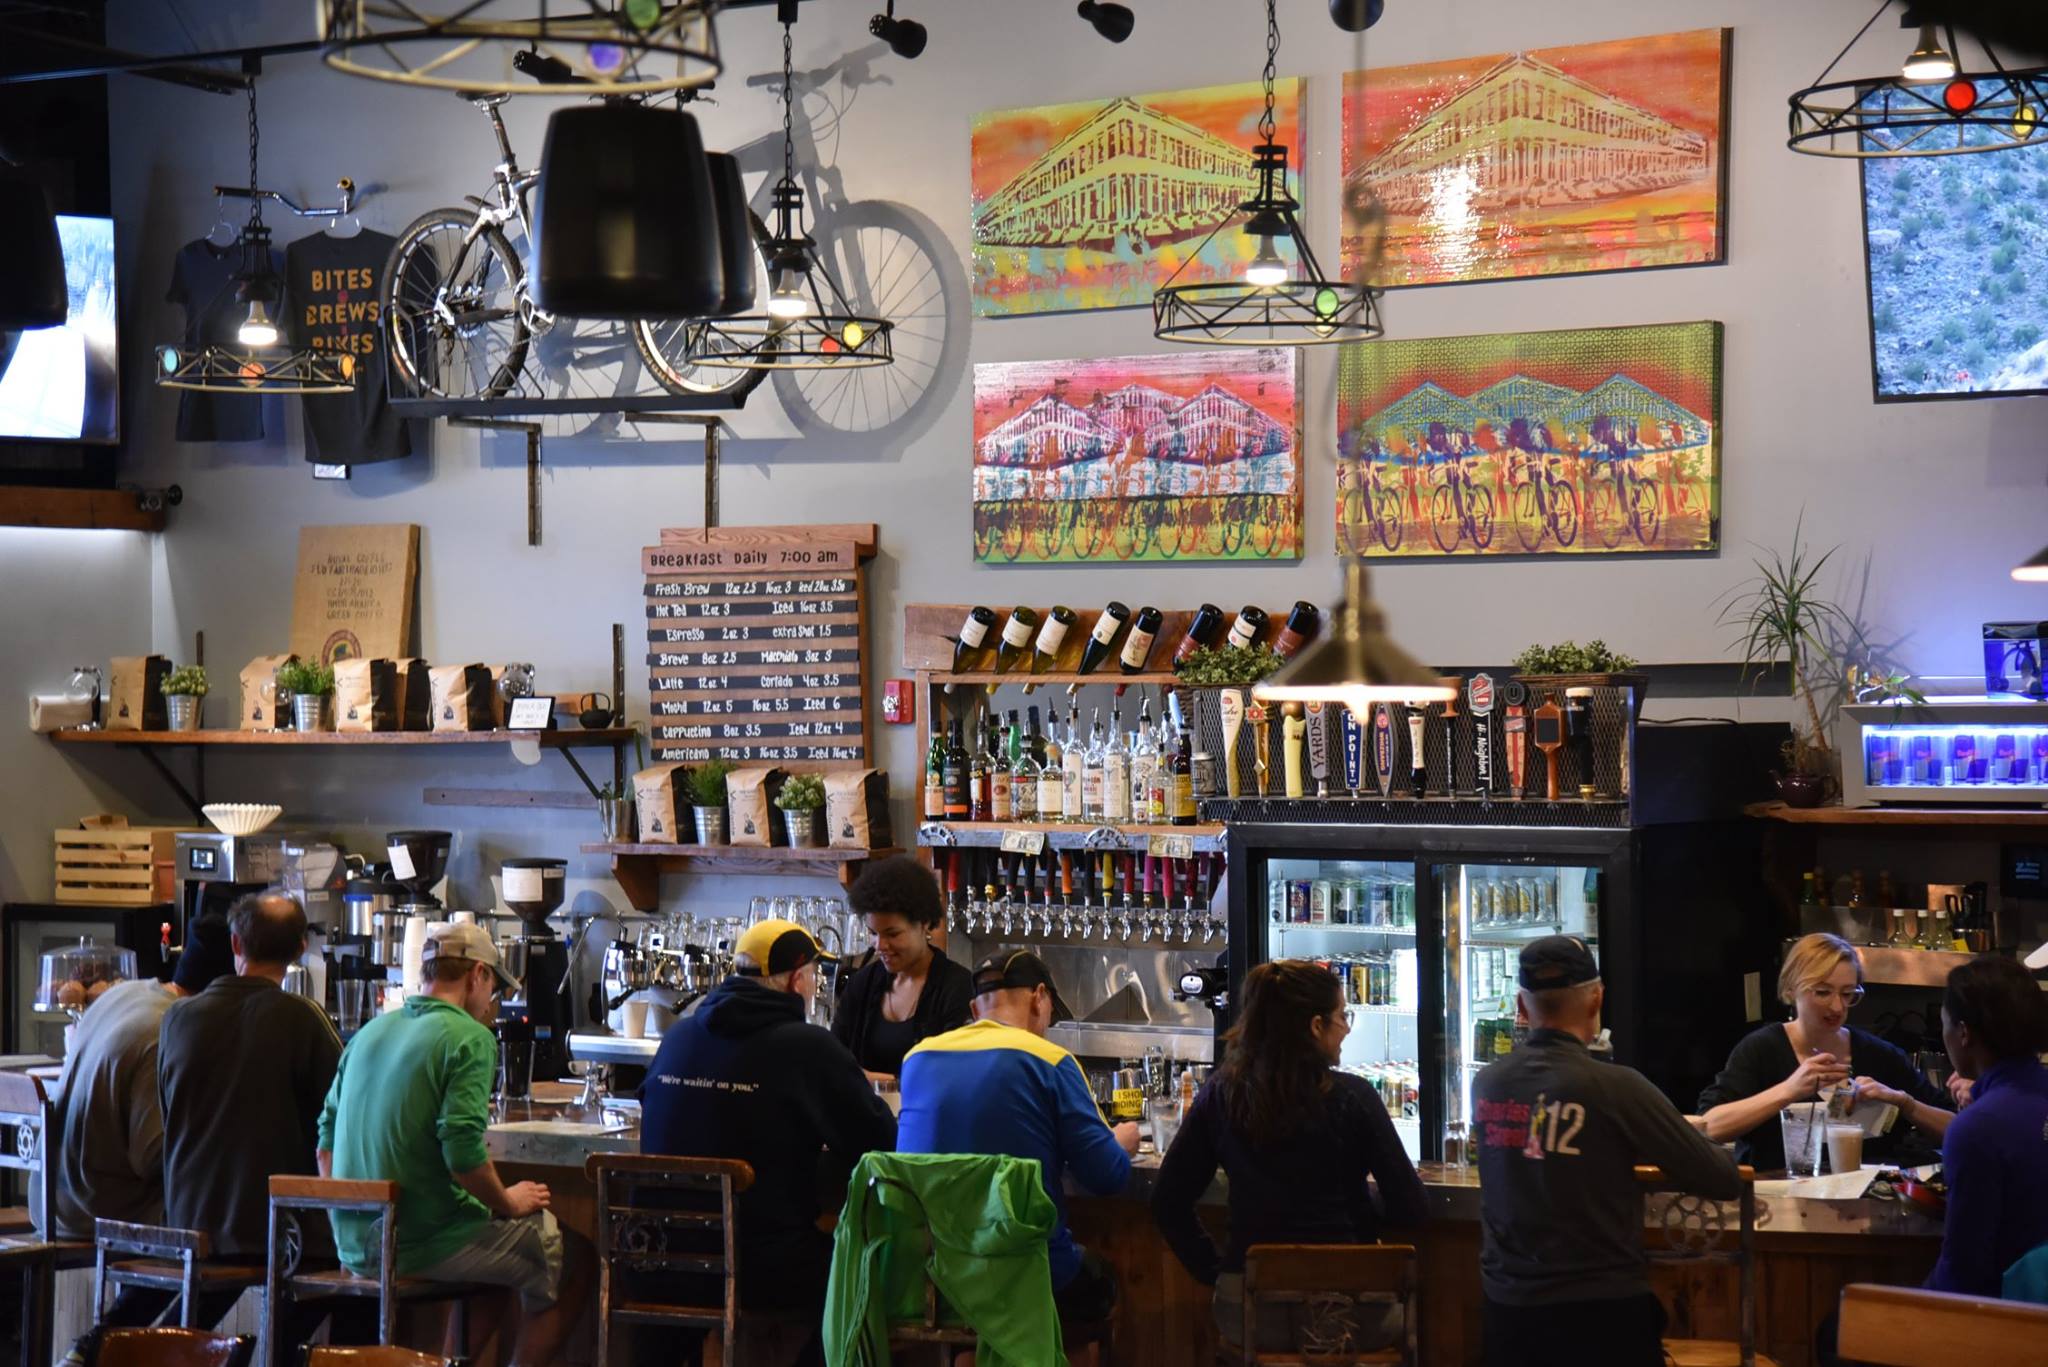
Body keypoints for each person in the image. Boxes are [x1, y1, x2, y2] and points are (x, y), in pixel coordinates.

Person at [1476, 935, 1741, 1367]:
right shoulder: (1618, 1087)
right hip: (1601, 1314)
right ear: (1597, 1000)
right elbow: (1721, 1178)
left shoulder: (1486, 1083)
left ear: (1521, 1009)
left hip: (1507, 1315)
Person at [641, 917, 895, 1366]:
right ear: (797, 980)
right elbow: (877, 1142)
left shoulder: (678, 1035)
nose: (815, 985)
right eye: (815, 975)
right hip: (759, 1266)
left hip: (657, 1260)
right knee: (864, 1272)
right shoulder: (808, 1047)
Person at [1152, 960, 1427, 1354]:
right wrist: (1364, 1209)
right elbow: (1412, 1208)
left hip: (1251, 1308)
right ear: (1316, 1026)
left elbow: (1167, 1201)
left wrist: (1217, 1272)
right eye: (1341, 1017)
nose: (1346, 1028)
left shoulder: (1221, 1094)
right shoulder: (1355, 1098)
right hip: (1353, 1309)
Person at [897, 949, 1137, 1349]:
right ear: (1039, 997)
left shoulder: (917, 1058)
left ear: (975, 1008)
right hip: (1027, 1276)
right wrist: (1120, 1142)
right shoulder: (1049, 1059)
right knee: (1103, 1282)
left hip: (934, 1280)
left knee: (973, 1294)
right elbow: (1106, 1176)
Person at [41, 914, 233, 1335]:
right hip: (96, 1205)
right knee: (231, 1234)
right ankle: (119, 1343)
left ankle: (119, 1343)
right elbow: (150, 1156)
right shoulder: (165, 1028)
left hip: (56, 1194)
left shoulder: (125, 993)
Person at [160, 893, 341, 1263]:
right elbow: (341, 1117)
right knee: (360, 1263)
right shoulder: (304, 1019)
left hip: (186, 1221)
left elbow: (168, 1112)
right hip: (272, 1231)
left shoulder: (177, 1017)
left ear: (235, 943)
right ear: (300, 949)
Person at [1698, 933, 1952, 1171]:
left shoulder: (1879, 1055)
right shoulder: (1762, 1049)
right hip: (1777, 1204)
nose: (1837, 1006)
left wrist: (1905, 1103)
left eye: (1847, 994)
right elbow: (1708, 1127)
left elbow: (1959, 1129)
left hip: (1867, 1204)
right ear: (1790, 989)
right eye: (1822, 992)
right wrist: (1788, 1091)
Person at [1926, 954, 2048, 1296]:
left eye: (1945, 1024)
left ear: (1963, 1032)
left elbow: (1963, 1271)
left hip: (2008, 1319)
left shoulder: (1977, 1128)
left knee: (1838, 1329)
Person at [831, 855, 973, 1080]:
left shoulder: (957, 987)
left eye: (892, 934)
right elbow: (833, 1061)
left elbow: (957, 1076)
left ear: (924, 923)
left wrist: (881, 1082)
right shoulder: (862, 983)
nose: (880, 946)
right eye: (873, 934)